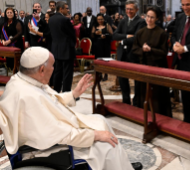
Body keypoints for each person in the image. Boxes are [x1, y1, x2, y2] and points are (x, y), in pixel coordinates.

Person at [0, 47, 142, 170]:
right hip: (43, 149)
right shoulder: (28, 96)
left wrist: (74, 94)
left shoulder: (23, 79)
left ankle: (122, 164)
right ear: (42, 69)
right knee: (105, 145)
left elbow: (51, 100)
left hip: (48, 136)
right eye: (52, 66)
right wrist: (94, 136)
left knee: (100, 119)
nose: (54, 69)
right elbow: (60, 135)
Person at [132, 6, 172, 116]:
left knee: (157, 94)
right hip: (143, 66)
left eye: (152, 17)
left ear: (157, 19)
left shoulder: (161, 33)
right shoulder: (140, 32)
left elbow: (164, 52)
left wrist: (151, 50)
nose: (149, 19)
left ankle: (158, 116)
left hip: (157, 67)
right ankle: (144, 115)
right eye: (147, 16)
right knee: (143, 92)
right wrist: (142, 50)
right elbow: (134, 49)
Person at [113, 0, 146, 105]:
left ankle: (137, 102)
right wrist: (127, 36)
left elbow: (137, 38)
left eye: (131, 9)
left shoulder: (141, 22)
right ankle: (125, 100)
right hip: (122, 54)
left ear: (137, 9)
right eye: (127, 9)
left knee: (137, 80)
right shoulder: (123, 21)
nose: (128, 11)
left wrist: (122, 40)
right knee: (122, 79)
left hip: (134, 54)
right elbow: (115, 35)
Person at [49, 1, 76, 93]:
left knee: (58, 71)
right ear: (61, 9)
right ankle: (66, 93)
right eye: (67, 8)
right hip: (67, 49)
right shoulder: (65, 20)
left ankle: (56, 91)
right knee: (67, 73)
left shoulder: (51, 19)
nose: (68, 10)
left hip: (56, 49)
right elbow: (72, 34)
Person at [92, 14, 113, 81]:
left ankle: (106, 74)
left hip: (105, 45)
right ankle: (99, 75)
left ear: (103, 19)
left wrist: (105, 36)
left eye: (101, 19)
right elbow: (91, 35)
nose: (100, 21)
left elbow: (111, 34)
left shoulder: (107, 25)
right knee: (98, 60)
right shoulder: (95, 26)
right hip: (97, 45)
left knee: (106, 60)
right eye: (98, 19)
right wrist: (95, 33)